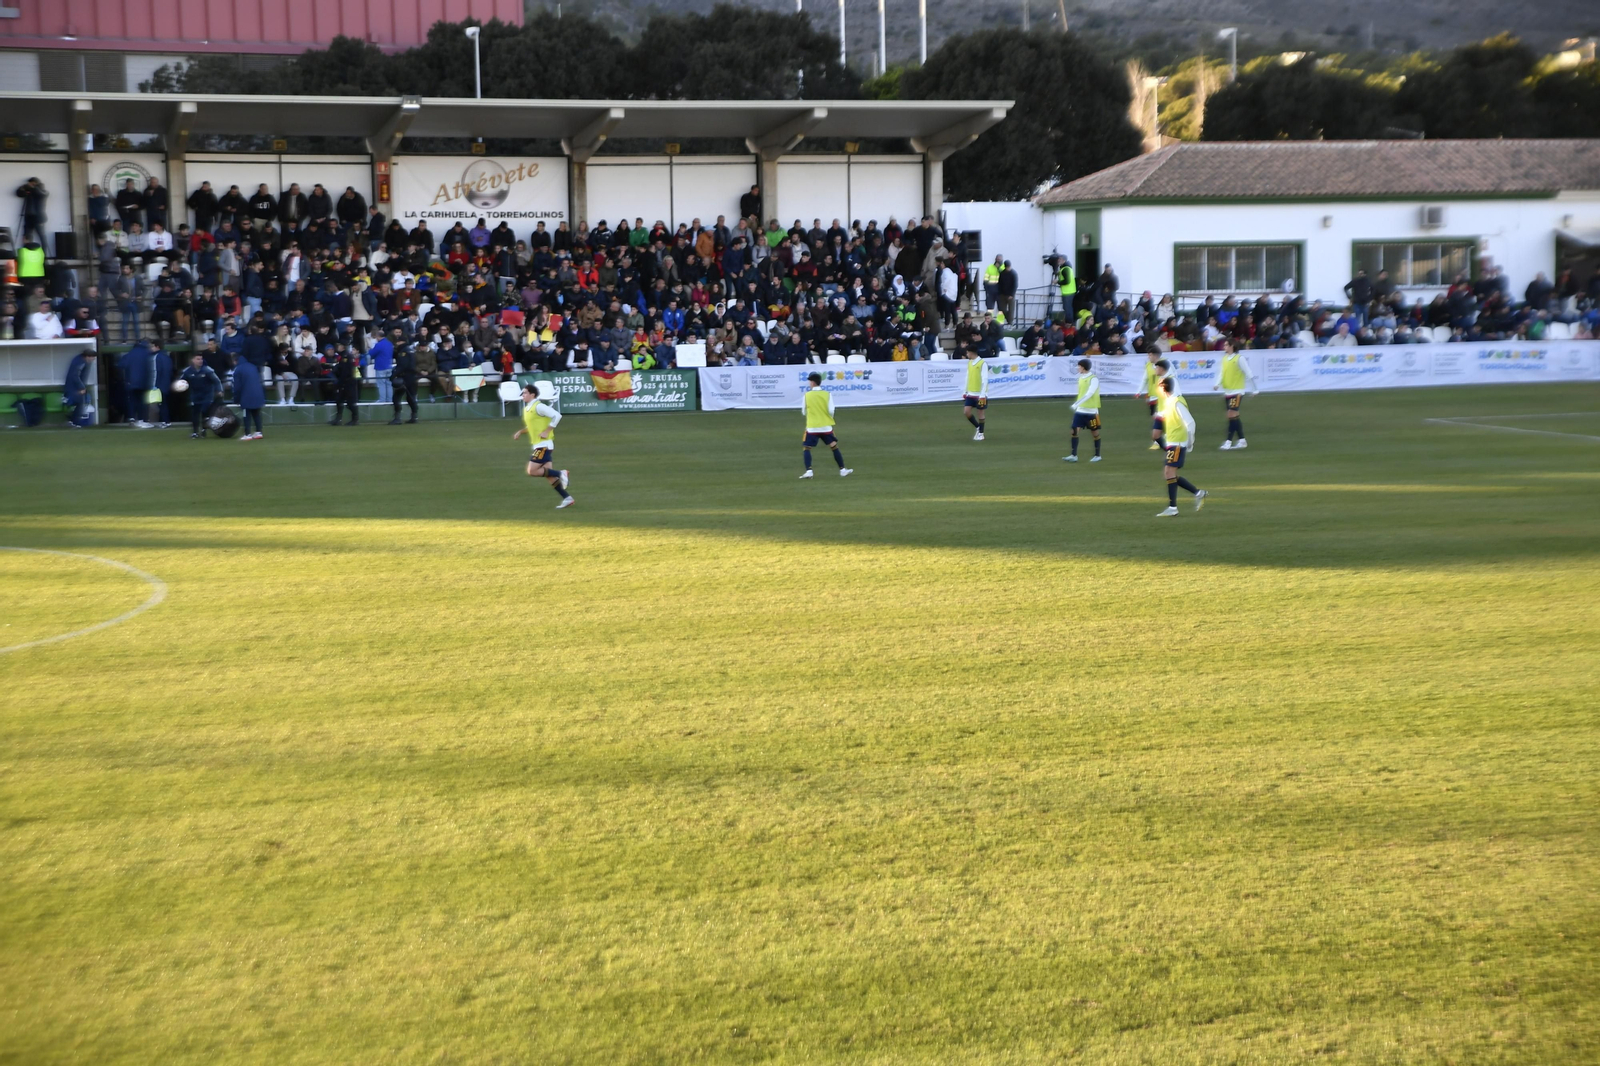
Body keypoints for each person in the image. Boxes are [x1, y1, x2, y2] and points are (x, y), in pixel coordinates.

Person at [512, 380, 574, 509]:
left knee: (532, 471)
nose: (523, 395)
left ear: (532, 394)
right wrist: (521, 432)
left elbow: (557, 415)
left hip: (543, 445)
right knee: (548, 475)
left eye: (525, 393)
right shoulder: (527, 409)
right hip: (540, 445)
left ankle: (561, 473)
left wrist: (547, 431)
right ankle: (567, 498)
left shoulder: (539, 406)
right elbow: (533, 426)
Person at [1156, 377, 1206, 517]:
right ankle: (1198, 493)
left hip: (1178, 443)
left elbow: (1190, 423)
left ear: (1163, 388)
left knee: (1169, 472)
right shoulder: (1169, 402)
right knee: (1169, 473)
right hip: (1173, 442)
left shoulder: (1177, 402)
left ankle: (1173, 508)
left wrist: (1190, 443)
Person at [799, 372, 852, 479]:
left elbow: (803, 411)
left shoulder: (807, 395)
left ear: (812, 382)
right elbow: (831, 410)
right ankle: (842, 470)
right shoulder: (827, 394)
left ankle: (809, 471)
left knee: (807, 448)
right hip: (826, 426)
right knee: (834, 446)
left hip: (812, 427)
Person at [1213, 339, 1258, 450]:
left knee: (1231, 414)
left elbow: (1248, 373)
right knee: (1234, 417)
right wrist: (1217, 384)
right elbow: (1222, 373)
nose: (1224, 347)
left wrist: (1255, 389)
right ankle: (1242, 440)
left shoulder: (1239, 358)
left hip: (1237, 391)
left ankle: (1228, 442)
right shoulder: (1224, 358)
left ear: (1232, 346)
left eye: (1226, 345)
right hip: (1228, 391)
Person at [234, 324, 270, 440]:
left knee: (247, 413)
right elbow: (267, 352)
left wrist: (236, 399)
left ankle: (247, 433)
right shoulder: (263, 340)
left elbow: (237, 386)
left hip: (247, 393)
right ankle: (259, 432)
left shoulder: (239, 369)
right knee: (256, 412)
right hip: (258, 370)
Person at [1064, 357, 1102, 463]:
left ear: (1083, 367)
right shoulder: (1081, 378)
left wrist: (1076, 404)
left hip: (1091, 411)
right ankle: (1073, 455)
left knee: (1095, 433)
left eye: (1079, 366)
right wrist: (1078, 405)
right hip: (1080, 411)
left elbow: (1090, 393)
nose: (1078, 368)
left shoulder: (1093, 379)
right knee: (1074, 431)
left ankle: (1097, 455)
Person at [178, 352, 222, 438]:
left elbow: (216, 381)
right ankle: (195, 432)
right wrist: (180, 387)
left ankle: (203, 430)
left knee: (204, 411)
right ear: (193, 360)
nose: (200, 361)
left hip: (207, 395)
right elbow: (181, 381)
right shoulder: (187, 371)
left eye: (201, 359)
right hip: (195, 395)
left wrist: (219, 390)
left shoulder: (207, 370)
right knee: (194, 413)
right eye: (198, 359)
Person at [1133, 351, 1169, 451]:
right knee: (1155, 417)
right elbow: (1145, 379)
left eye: (1150, 355)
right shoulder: (1148, 366)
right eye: (1148, 355)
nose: (1148, 357)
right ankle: (1161, 437)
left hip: (1161, 397)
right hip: (1152, 396)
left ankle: (1160, 439)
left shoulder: (1164, 365)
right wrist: (1139, 392)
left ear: (1155, 356)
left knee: (1160, 417)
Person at [62, 349, 96, 428]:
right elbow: (75, 375)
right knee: (80, 403)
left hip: (72, 386)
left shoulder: (78, 359)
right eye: (92, 358)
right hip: (76, 387)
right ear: (87, 357)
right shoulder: (81, 362)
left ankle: (72, 421)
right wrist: (81, 387)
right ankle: (75, 422)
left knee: (77, 403)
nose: (93, 360)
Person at [388, 337, 419, 424]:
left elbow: (402, 366)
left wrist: (393, 375)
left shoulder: (403, 352)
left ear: (402, 342)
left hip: (405, 377)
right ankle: (414, 416)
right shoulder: (410, 350)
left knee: (397, 397)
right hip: (412, 377)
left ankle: (397, 418)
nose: (396, 343)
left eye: (398, 342)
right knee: (411, 398)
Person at [329, 346, 361, 426]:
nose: (338, 347)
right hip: (345, 381)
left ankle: (355, 419)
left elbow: (345, 371)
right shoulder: (343, 356)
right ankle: (338, 418)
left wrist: (340, 382)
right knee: (339, 400)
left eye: (339, 346)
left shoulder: (346, 357)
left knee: (350, 401)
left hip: (348, 382)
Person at [962, 347, 989, 441]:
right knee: (966, 412)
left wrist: (983, 394)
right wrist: (965, 391)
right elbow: (967, 377)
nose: (966, 354)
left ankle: (981, 434)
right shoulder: (969, 363)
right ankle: (978, 427)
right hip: (970, 393)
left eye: (967, 352)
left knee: (980, 413)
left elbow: (985, 379)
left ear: (971, 352)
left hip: (980, 394)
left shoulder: (982, 363)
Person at [15, 176, 48, 246]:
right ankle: (27, 250)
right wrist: (23, 187)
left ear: (36, 183)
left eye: (32, 183)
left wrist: (33, 187)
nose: (30, 185)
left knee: (41, 235)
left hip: (38, 217)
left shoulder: (44, 192)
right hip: (29, 216)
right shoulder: (29, 191)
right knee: (27, 235)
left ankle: (44, 252)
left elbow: (40, 194)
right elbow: (19, 193)